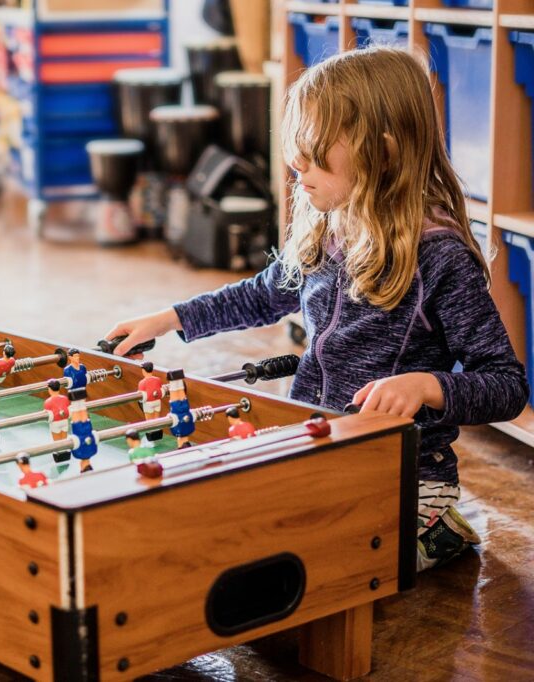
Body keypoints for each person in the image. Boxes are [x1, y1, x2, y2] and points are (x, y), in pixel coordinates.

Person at [103, 47, 530, 571]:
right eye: (295, 148)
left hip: (404, 477)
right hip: (316, 447)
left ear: (385, 154)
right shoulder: (327, 225)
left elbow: (507, 386)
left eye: (313, 150)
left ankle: (440, 528)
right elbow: (263, 294)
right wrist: (171, 318)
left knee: (314, 560)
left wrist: (426, 385)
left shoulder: (440, 257)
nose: (294, 166)